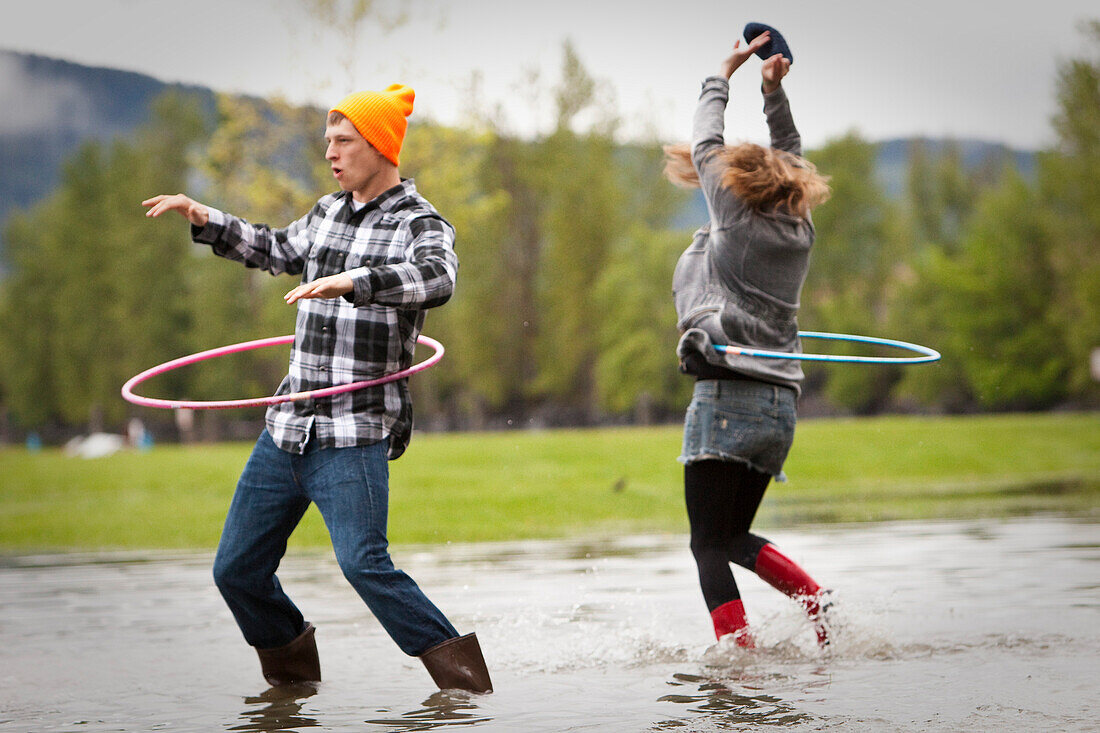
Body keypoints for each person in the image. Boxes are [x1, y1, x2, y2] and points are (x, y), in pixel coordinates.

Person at [142, 84, 492, 692]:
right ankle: (293, 688)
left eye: (342, 141)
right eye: (326, 142)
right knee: (236, 571)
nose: (330, 153)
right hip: (288, 425)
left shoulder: (422, 222)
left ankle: (464, 688)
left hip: (354, 430)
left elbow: (437, 278)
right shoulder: (327, 211)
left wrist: (354, 282)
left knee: (364, 565)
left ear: (380, 145)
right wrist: (205, 217)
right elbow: (278, 248)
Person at [664, 31, 834, 648]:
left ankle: (736, 657)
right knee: (730, 536)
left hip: (729, 394)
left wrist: (723, 74)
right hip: (779, 405)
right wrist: (772, 92)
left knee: (706, 543)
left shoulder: (732, 221)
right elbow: (789, 152)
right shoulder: (799, 225)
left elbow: (706, 141)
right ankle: (815, 600)